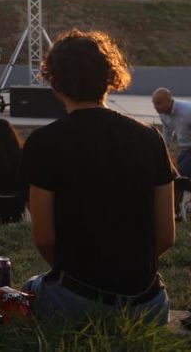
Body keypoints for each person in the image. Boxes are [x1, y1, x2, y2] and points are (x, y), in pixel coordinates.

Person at [21, 30, 175, 324]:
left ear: (54, 82)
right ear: (110, 77)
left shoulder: (44, 142)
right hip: (149, 305)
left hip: (76, 300)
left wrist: (83, 277)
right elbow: (166, 236)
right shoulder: (151, 138)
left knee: (29, 287)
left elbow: (44, 238)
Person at [152, 87, 191, 178]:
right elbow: (167, 131)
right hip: (184, 148)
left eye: (158, 103)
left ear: (169, 101)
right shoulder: (163, 113)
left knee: (182, 172)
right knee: (175, 170)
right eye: (154, 103)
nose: (155, 107)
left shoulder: (188, 111)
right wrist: (165, 148)